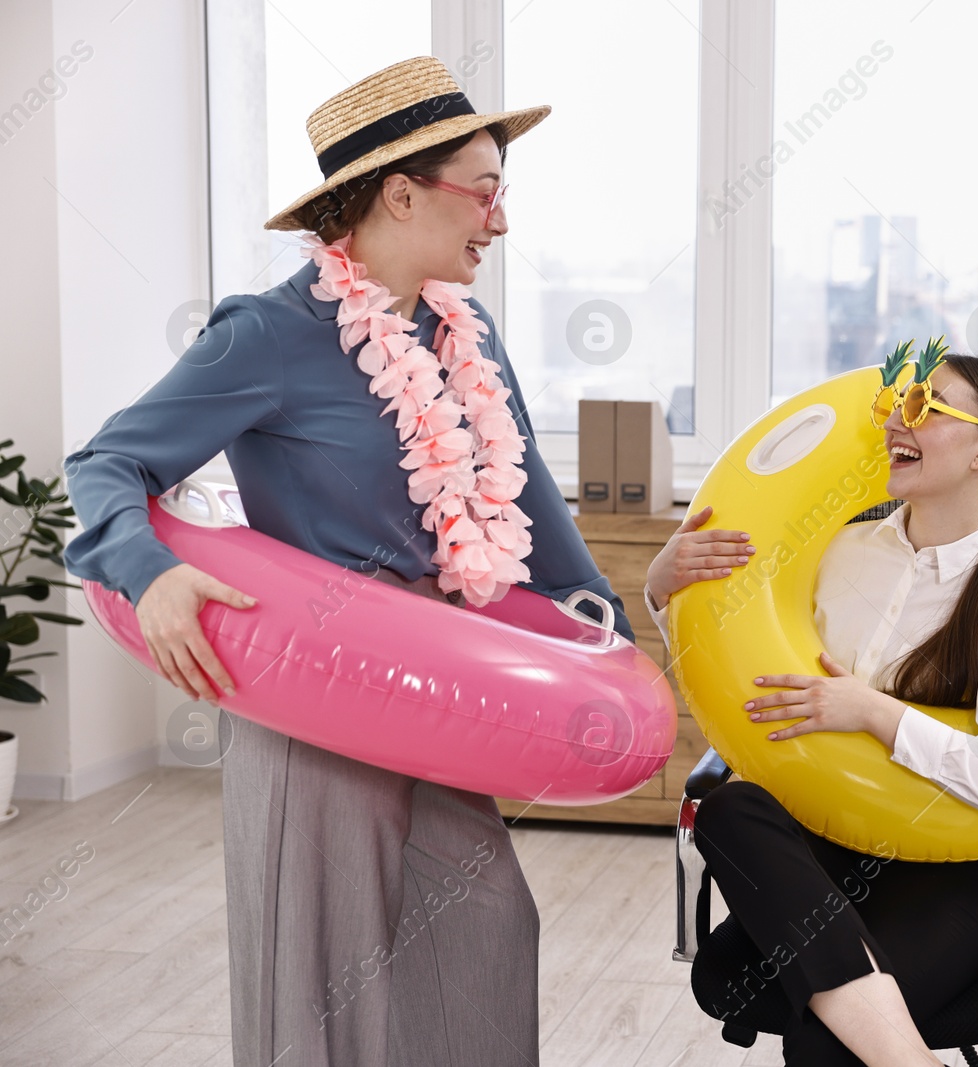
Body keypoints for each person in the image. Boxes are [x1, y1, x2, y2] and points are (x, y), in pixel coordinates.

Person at [60, 57, 628, 1067]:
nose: (499, 221)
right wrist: (149, 573)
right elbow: (108, 460)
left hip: (447, 673)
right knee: (317, 963)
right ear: (401, 193)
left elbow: (530, 492)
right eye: (485, 191)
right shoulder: (269, 333)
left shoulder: (464, 328)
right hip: (314, 677)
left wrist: (610, 637)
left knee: (488, 924)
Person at [642, 345, 978, 1066]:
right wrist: (661, 590)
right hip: (820, 852)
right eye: (899, 405)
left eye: (926, 409)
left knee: (828, 1042)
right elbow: (737, 677)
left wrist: (877, 712)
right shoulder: (837, 554)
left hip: (950, 871)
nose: (898, 422)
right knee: (728, 808)